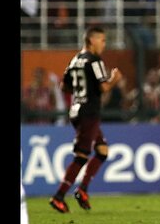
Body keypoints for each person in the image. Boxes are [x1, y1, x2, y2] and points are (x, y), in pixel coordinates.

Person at [49, 26, 123, 213]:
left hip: (76, 110)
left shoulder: (74, 60)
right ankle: (59, 196)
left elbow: (64, 86)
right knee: (82, 156)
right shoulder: (94, 60)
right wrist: (114, 79)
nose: (104, 45)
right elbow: (104, 88)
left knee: (102, 151)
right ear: (91, 41)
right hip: (88, 112)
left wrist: (81, 93)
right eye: (102, 40)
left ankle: (82, 189)